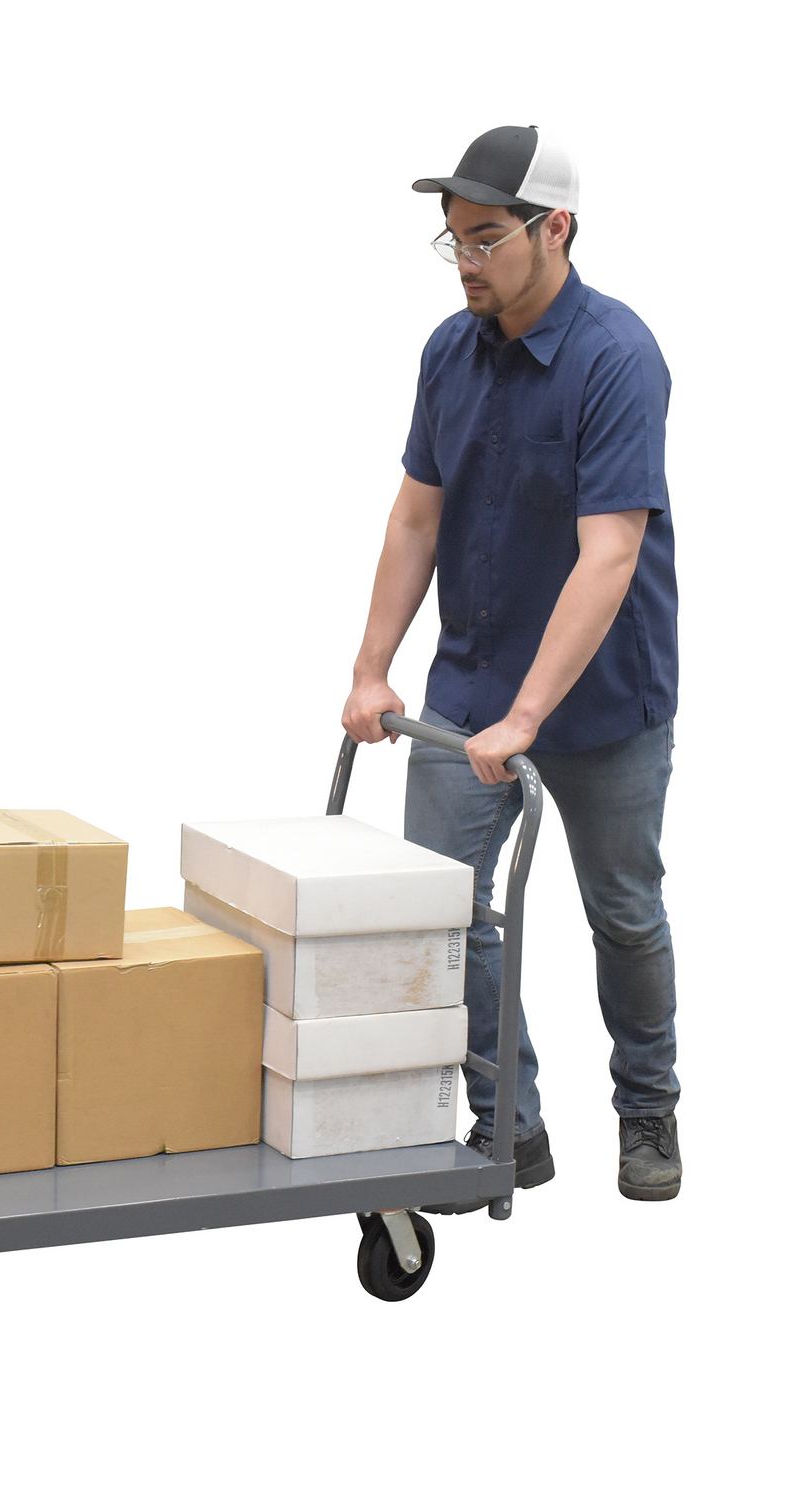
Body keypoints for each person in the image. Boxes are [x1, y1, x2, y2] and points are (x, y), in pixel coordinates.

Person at [341, 125, 681, 1207]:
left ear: (556, 229)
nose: (468, 262)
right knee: (442, 909)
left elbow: (609, 551)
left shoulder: (617, 358)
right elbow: (416, 516)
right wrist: (371, 670)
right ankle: (507, 1124)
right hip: (472, 686)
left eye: (487, 238)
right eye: (455, 240)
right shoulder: (450, 352)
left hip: (602, 702)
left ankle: (647, 1107)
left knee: (621, 911)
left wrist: (530, 715)